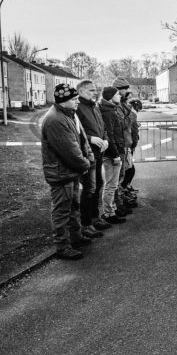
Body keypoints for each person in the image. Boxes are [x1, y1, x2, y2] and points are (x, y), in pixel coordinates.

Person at [41, 83, 94, 260]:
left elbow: (79, 140)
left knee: (73, 208)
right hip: (61, 174)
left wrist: (84, 161)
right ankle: (62, 247)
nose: (77, 101)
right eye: (74, 99)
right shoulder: (56, 120)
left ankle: (76, 237)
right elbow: (70, 151)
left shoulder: (66, 115)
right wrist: (86, 164)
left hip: (69, 173)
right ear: (63, 101)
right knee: (62, 212)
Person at [75, 80, 111, 237]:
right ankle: (86, 223)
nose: (95, 93)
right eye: (91, 90)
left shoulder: (94, 107)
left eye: (96, 90)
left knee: (98, 184)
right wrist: (90, 138)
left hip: (99, 153)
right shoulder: (78, 109)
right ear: (81, 92)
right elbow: (76, 132)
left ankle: (95, 217)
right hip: (87, 155)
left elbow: (103, 127)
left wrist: (106, 139)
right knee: (89, 188)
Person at [98, 86, 127, 224]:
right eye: (117, 94)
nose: (120, 96)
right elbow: (110, 134)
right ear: (110, 96)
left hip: (115, 150)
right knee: (110, 185)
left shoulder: (110, 109)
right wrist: (115, 154)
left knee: (113, 184)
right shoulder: (108, 112)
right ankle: (109, 213)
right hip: (112, 153)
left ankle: (112, 209)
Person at [112, 77, 136, 211]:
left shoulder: (121, 104)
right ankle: (118, 203)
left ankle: (120, 200)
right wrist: (132, 113)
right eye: (125, 89)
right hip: (121, 144)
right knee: (119, 176)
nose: (128, 91)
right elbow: (124, 125)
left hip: (126, 143)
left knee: (126, 171)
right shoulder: (116, 106)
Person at [121, 98, 142, 195]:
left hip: (129, 144)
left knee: (129, 169)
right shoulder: (132, 114)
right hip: (128, 144)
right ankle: (125, 187)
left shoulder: (130, 114)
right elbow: (132, 131)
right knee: (129, 169)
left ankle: (126, 186)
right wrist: (134, 144)